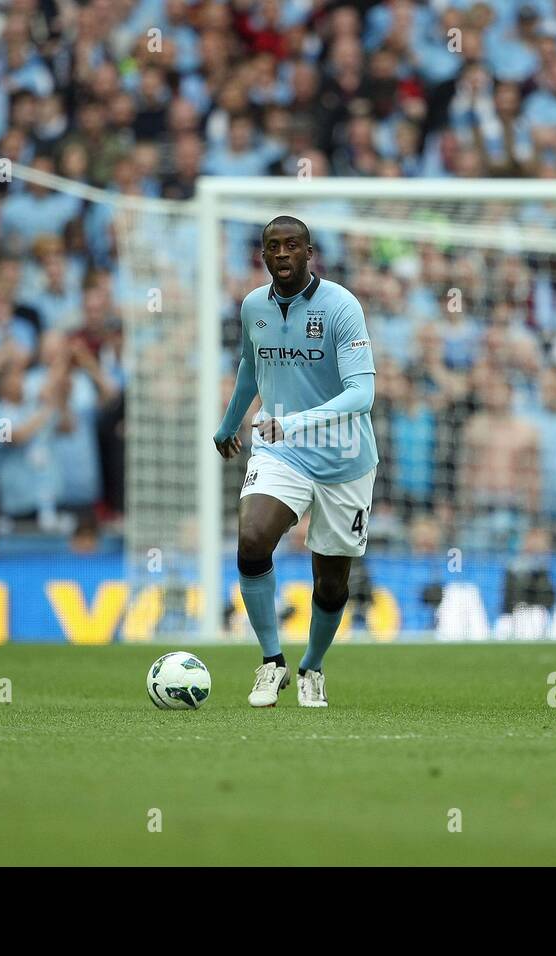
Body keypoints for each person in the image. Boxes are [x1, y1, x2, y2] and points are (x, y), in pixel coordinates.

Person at [213, 216, 378, 708]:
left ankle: (312, 666)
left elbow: (363, 394)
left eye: (291, 246)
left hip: (345, 459)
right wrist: (229, 423)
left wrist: (297, 422)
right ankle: (271, 663)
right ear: (263, 256)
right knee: (252, 536)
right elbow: (250, 364)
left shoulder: (341, 306)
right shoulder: (253, 307)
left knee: (331, 581)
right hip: (279, 449)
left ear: (310, 253)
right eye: (271, 247)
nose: (281, 254)